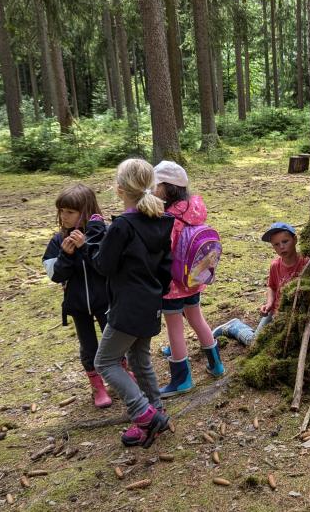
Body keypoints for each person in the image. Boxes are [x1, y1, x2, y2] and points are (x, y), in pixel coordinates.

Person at [85, 159, 174, 447]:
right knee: (139, 359)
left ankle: (144, 414)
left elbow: (103, 265)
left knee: (105, 361)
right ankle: (156, 411)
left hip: (128, 306)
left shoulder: (122, 226)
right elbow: (166, 267)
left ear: (120, 189)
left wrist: (95, 233)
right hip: (150, 303)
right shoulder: (161, 220)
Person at [152, 161, 224, 398]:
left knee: (175, 328)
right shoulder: (194, 209)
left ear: (167, 188)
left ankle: (182, 379)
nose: (152, 189)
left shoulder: (167, 218)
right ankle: (216, 364)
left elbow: (165, 250)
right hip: (195, 278)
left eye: (156, 185)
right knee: (197, 318)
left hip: (173, 283)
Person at [42, 184, 113, 408]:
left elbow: (107, 268)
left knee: (113, 341)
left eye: (70, 212)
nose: (64, 216)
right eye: (61, 211)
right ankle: (97, 386)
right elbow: (56, 275)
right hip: (78, 305)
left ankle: (121, 375)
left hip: (106, 301)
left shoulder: (102, 234)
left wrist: (85, 248)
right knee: (88, 346)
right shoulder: (58, 241)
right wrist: (66, 254)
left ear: (86, 211)